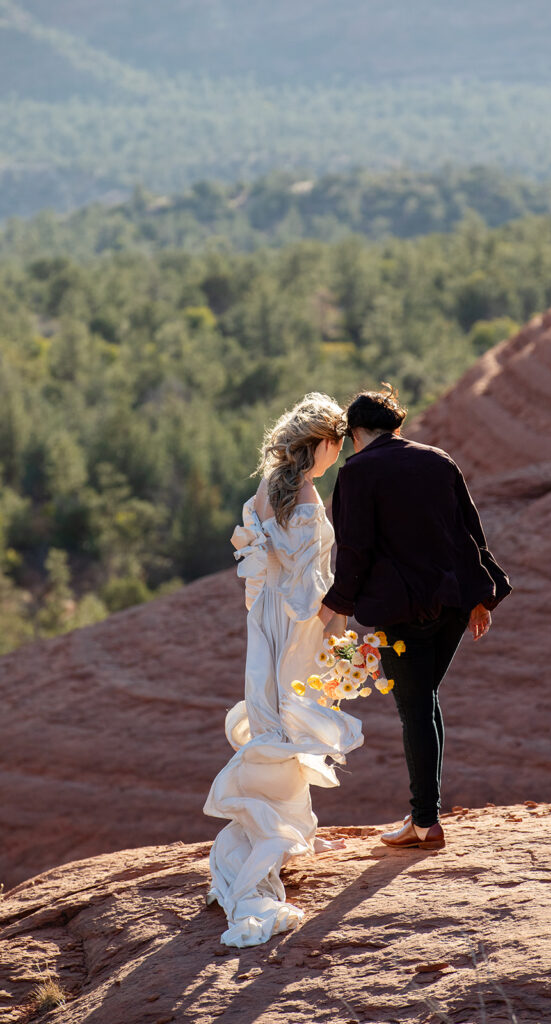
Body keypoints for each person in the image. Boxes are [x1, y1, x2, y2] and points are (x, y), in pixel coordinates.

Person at [319, 383, 512, 851]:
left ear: (355, 432)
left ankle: (424, 822)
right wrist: (482, 597)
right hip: (453, 603)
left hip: (401, 609)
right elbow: (469, 531)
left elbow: (356, 550)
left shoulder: (358, 472)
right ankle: (424, 815)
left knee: (415, 707)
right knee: (425, 699)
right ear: (397, 426)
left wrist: (336, 606)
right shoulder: (437, 459)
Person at [203, 392, 363, 947]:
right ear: (321, 442)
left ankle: (285, 831)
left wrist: (269, 614)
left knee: (276, 723)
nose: (335, 457)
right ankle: (272, 846)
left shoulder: (264, 491)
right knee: (294, 726)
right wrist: (336, 633)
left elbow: (258, 569)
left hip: (266, 620)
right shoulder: (306, 493)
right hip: (298, 623)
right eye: (335, 447)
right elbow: (306, 581)